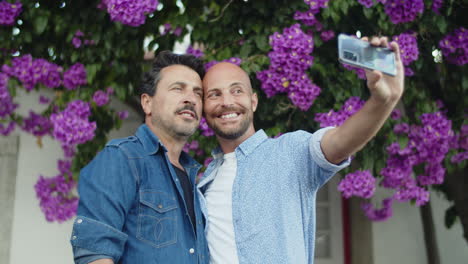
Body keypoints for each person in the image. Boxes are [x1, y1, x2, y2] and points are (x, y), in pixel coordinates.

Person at [197, 36, 404, 264]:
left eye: (236, 91)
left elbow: (340, 141)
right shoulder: (205, 181)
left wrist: (382, 102)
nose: (226, 101)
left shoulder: (289, 152)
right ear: (203, 108)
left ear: (253, 102)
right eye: (214, 94)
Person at [70, 51, 209, 264]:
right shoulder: (121, 159)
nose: (190, 99)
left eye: (197, 93)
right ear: (147, 103)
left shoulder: (194, 177)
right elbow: (95, 254)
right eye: (177, 89)